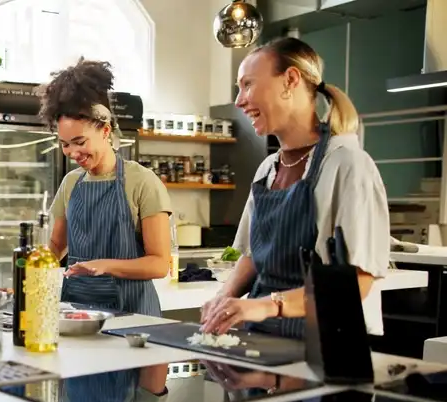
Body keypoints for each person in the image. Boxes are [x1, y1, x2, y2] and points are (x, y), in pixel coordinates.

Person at [200, 38, 390, 338]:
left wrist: (268, 305)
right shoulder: (267, 170)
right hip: (263, 336)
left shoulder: (348, 165)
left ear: (290, 80)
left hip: (325, 344)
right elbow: (252, 253)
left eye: (247, 85)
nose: (239, 101)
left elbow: (357, 282)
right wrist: (224, 299)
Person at [38, 59, 172, 316]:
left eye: (79, 141)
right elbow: (56, 246)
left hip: (133, 314)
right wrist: (29, 272)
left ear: (105, 130)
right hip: (78, 312)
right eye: (65, 144)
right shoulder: (71, 183)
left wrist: (104, 266)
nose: (72, 152)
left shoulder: (142, 181)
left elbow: (159, 264)